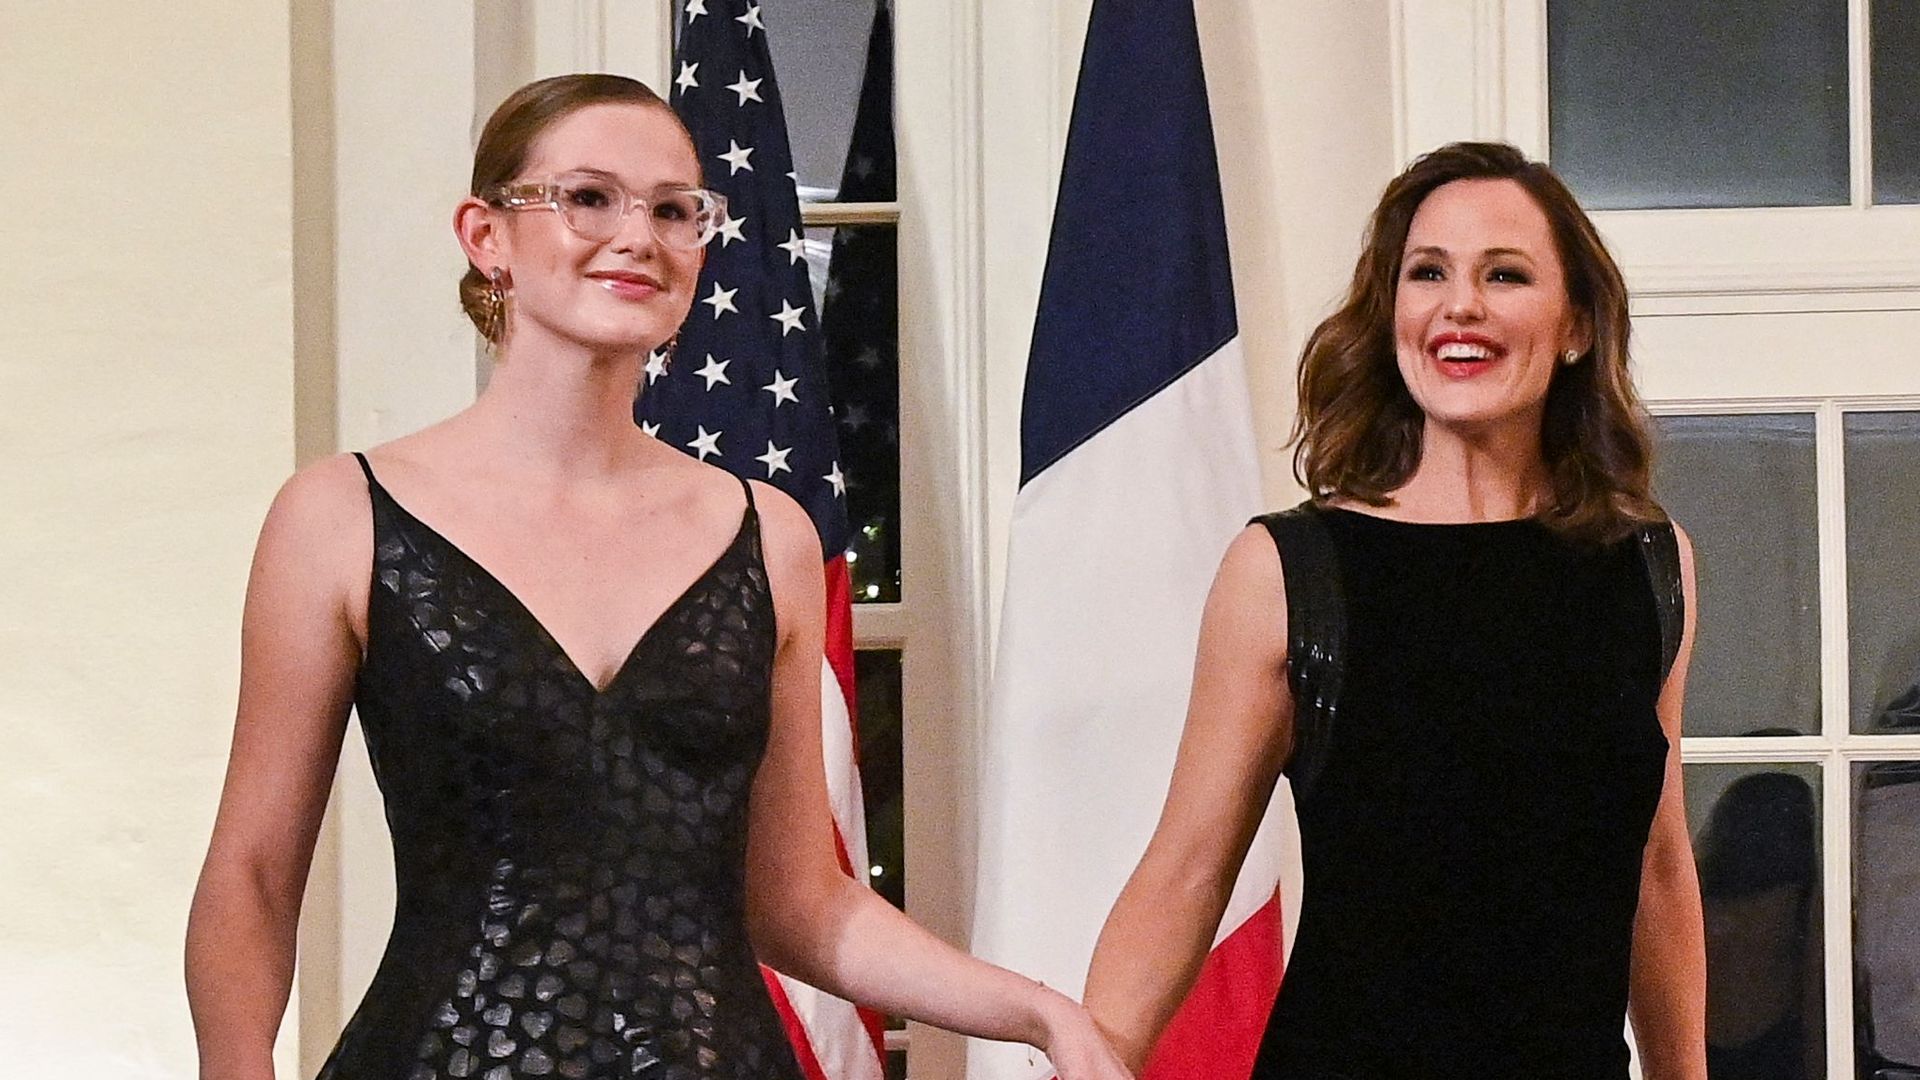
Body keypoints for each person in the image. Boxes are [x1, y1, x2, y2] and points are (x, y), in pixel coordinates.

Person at [184, 74, 1130, 1080]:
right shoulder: (341, 516)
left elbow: (801, 902)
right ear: (486, 233)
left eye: (675, 210)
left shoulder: (770, 535)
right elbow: (250, 877)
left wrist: (1039, 1014)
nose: (638, 235)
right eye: (589, 198)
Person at [1082, 142, 1708, 1079]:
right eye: (1428, 273)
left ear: (1576, 323)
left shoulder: (1653, 563)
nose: (1461, 305)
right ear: (1393, 316)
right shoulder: (1285, 570)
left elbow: (1656, 869)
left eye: (1504, 274)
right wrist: (1087, 1060)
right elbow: (1187, 873)